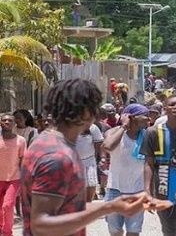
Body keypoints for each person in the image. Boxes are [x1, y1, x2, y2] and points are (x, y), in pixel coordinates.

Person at [20, 79, 149, 236]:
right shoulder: (57, 156)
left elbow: (67, 208)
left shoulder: (45, 142)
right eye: (94, 108)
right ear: (85, 112)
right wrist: (107, 208)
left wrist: (113, 206)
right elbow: (41, 224)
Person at [140, 95, 176, 236]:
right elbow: (149, 163)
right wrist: (147, 191)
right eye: (172, 104)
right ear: (165, 108)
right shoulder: (153, 132)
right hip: (164, 189)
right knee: (169, 231)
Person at [101, 104, 150, 236]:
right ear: (131, 117)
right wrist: (123, 127)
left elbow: (149, 165)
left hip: (137, 192)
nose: (148, 119)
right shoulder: (113, 132)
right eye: (145, 115)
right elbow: (108, 146)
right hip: (115, 190)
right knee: (115, 231)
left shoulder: (147, 136)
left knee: (133, 232)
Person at [0, 113, 26, 236]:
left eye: (9, 120)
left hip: (14, 179)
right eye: (4, 120)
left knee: (7, 205)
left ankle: (7, 232)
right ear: (0, 123)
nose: (6, 122)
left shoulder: (21, 141)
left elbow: (23, 160)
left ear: (14, 124)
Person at [75, 119, 104, 202]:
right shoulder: (69, 127)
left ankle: (88, 204)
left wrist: (102, 158)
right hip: (73, 161)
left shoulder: (93, 128)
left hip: (89, 161)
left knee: (91, 183)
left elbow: (99, 144)